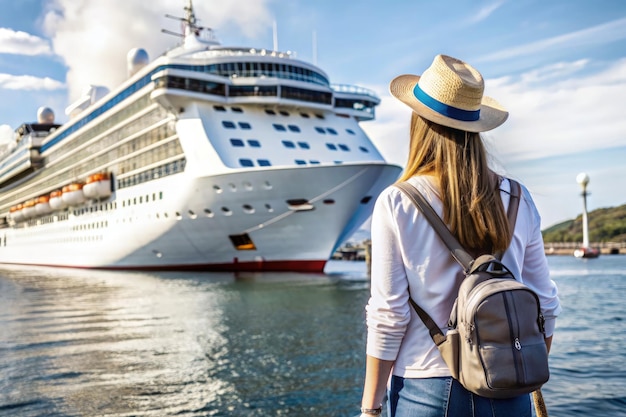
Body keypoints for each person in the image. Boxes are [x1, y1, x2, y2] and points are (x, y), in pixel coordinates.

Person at [359, 54, 562, 417]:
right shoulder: (517, 197)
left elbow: (388, 317)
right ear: (477, 128)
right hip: (508, 389)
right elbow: (545, 304)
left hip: (427, 389)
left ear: (418, 123)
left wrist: (370, 409)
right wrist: (517, 365)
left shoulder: (398, 201)